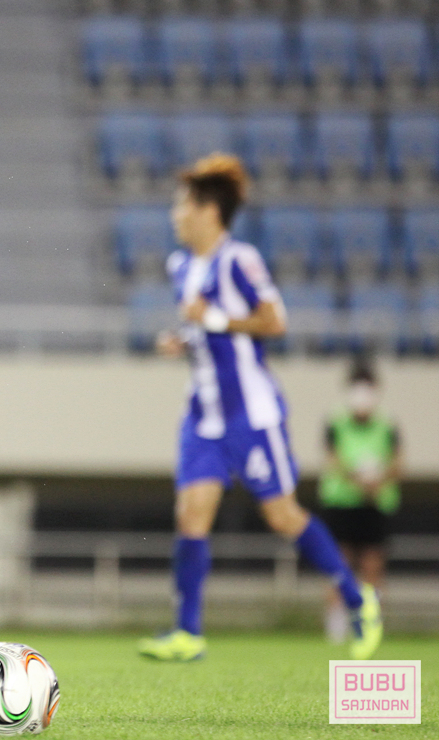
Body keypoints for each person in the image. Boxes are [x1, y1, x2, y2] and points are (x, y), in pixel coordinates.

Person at [136, 153, 382, 662]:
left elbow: (274, 321)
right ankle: (188, 633)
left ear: (209, 211)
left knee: (282, 515)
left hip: (251, 413)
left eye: (182, 205)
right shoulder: (180, 266)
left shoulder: (239, 260)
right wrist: (184, 338)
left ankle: (359, 600)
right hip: (203, 412)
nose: (175, 215)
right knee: (191, 515)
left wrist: (215, 319)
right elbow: (204, 327)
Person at [319, 359, 402, 643]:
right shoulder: (336, 420)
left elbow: (398, 461)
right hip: (340, 502)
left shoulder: (387, 423)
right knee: (338, 564)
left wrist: (379, 480)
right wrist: (356, 478)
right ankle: (336, 627)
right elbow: (331, 458)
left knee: (372, 566)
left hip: (375, 503)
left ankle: (371, 623)